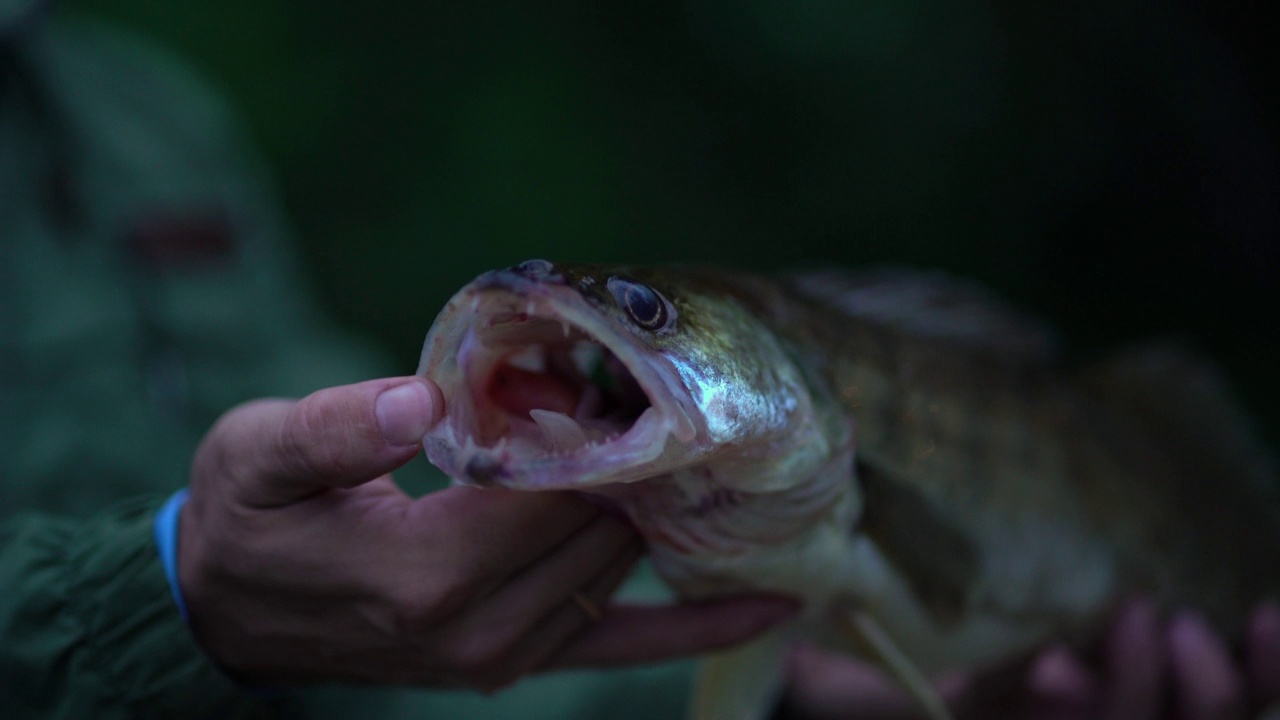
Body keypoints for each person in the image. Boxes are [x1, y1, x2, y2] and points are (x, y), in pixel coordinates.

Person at [1, 5, 1276, 720]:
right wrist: (163, 592)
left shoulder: (137, 107)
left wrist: (816, 698)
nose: (548, 316)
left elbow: (387, 613)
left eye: (647, 321)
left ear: (800, 389)